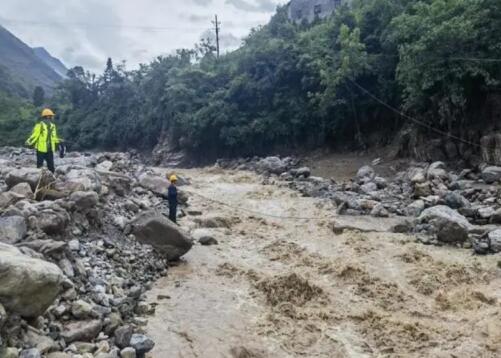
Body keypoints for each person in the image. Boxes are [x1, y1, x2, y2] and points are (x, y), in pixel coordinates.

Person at [25, 108, 61, 173]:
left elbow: (54, 137)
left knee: (51, 166)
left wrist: (59, 141)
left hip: (50, 149)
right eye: (51, 115)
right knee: (39, 165)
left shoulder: (53, 126)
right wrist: (29, 141)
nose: (52, 117)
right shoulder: (40, 125)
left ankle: (52, 179)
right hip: (40, 149)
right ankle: (38, 179)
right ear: (47, 116)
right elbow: (35, 135)